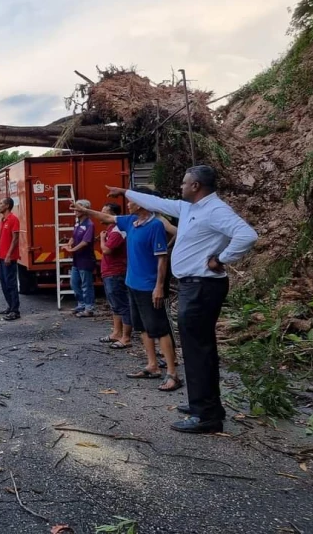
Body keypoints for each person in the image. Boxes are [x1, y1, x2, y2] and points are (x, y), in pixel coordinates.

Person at [107, 165, 258, 434]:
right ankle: (204, 404)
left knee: (198, 350)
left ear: (196, 186)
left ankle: (206, 416)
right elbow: (159, 202)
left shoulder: (216, 210)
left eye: (184, 183)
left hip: (203, 286)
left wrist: (221, 259)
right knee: (196, 348)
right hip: (192, 286)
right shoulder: (190, 208)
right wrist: (125, 191)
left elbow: (247, 235)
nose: (181, 187)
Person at [76, 189, 182, 393]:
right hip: (132, 283)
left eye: (131, 201)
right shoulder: (130, 222)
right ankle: (152, 365)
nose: (128, 204)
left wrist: (159, 286)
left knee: (159, 329)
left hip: (149, 286)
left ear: (141, 203)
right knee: (142, 327)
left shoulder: (156, 225)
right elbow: (106, 216)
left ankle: (172, 373)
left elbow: (162, 258)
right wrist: (84, 210)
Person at [98, 203, 132, 349]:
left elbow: (107, 250)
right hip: (109, 272)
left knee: (122, 304)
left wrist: (101, 239)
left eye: (104, 212)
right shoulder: (111, 230)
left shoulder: (118, 231)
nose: (101, 214)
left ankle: (126, 337)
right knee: (115, 305)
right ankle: (116, 333)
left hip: (116, 271)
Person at [62, 200, 96, 317]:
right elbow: (73, 236)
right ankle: (81, 304)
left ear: (85, 210)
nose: (75, 211)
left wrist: (72, 249)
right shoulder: (78, 223)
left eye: (78, 209)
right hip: (77, 259)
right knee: (74, 283)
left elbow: (85, 242)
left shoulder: (89, 225)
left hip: (86, 259)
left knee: (86, 284)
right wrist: (69, 243)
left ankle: (89, 307)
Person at [0, 197, 21, 321]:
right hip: (2, 256)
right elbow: (2, 240)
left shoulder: (13, 219)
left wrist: (9, 255)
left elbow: (15, 239)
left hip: (8, 258)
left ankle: (15, 310)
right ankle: (10, 306)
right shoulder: (3, 220)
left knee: (11, 283)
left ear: (7, 206)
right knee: (4, 283)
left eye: (1, 204)